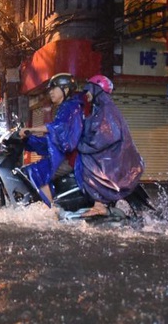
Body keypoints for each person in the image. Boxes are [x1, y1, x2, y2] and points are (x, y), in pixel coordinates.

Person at [74, 74, 144, 217]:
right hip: (111, 155)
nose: (86, 94)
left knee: (86, 165)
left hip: (109, 158)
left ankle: (99, 204)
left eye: (88, 90)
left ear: (96, 90)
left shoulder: (106, 109)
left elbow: (104, 137)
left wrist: (82, 145)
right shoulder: (101, 108)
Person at [19, 73, 84, 206]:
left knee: (35, 171)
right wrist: (29, 140)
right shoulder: (66, 107)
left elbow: (57, 128)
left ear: (65, 90)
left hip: (70, 158)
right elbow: (53, 139)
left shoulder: (70, 107)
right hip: (66, 156)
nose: (51, 92)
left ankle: (49, 211)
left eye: (54, 88)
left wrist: (31, 130)